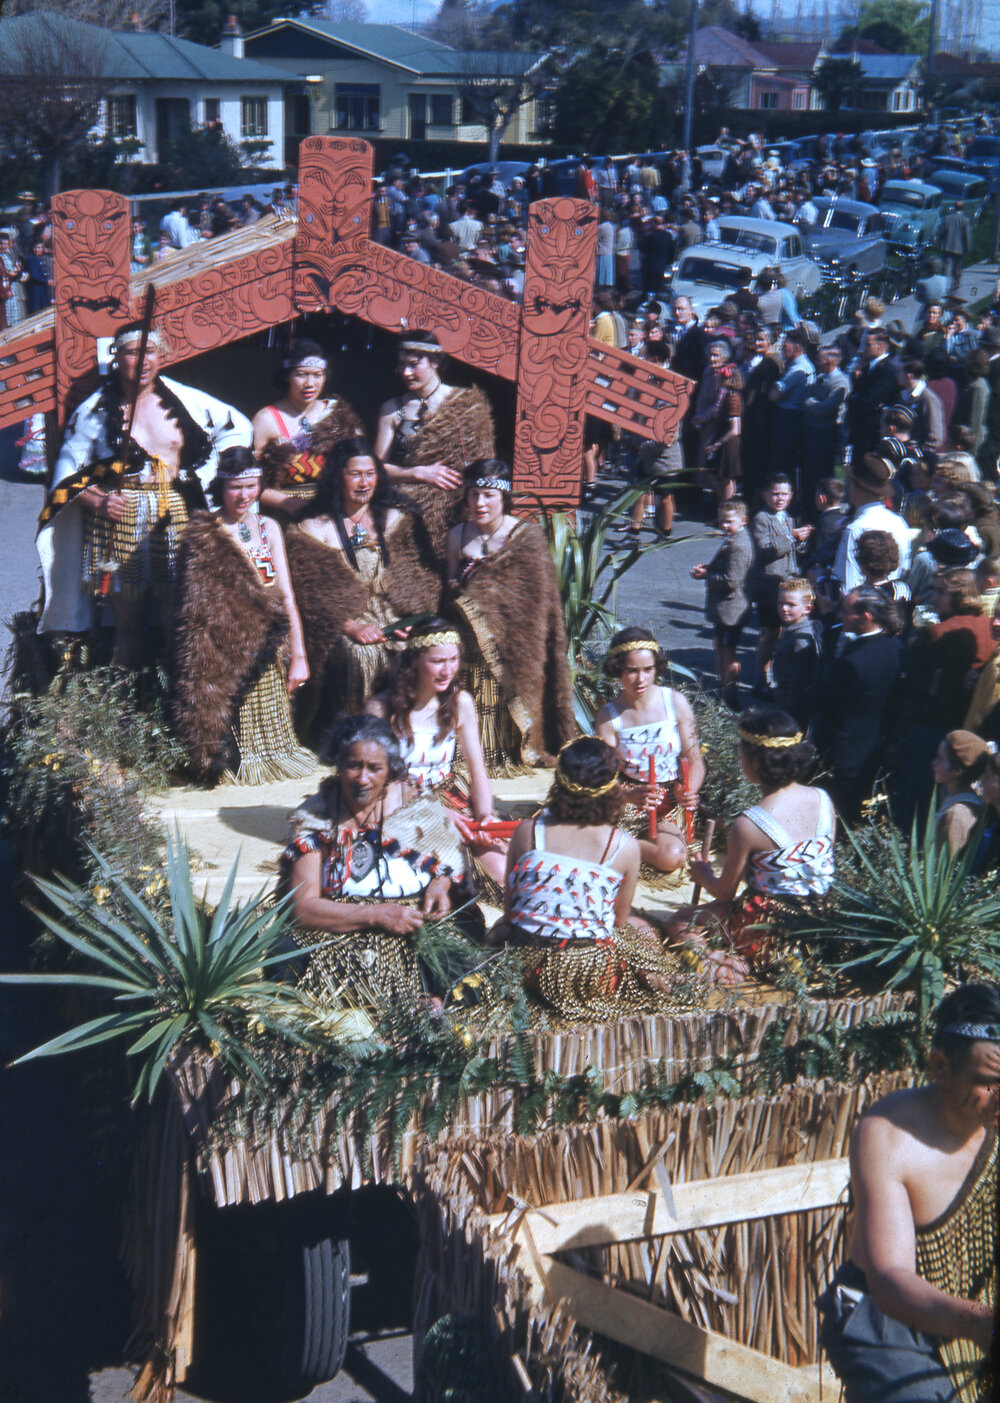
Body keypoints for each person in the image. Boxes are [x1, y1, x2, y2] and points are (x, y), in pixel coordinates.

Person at [817, 983, 998, 1403]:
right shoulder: (888, 1134)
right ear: (940, 1067)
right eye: (990, 1082)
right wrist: (984, 1326)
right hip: (885, 1321)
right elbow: (890, 1279)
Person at [37, 323, 252, 667]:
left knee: (178, 609)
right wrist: (98, 500)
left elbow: (237, 427)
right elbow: (67, 469)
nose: (142, 361)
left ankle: (175, 693)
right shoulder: (94, 412)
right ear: (116, 357)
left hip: (176, 510)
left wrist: (205, 474)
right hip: (120, 513)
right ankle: (129, 696)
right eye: (131, 352)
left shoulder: (188, 402)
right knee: (127, 616)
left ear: (161, 356)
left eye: (149, 351)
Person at [496, 737, 693, 1021]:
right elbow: (619, 923)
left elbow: (511, 910)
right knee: (641, 928)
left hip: (529, 967)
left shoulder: (527, 832)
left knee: (500, 930)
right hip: (589, 974)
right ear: (613, 789)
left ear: (558, 782)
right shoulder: (624, 846)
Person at [280, 714, 468, 1007]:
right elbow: (303, 907)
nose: (363, 778)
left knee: (463, 974)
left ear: (390, 770)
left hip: (413, 924)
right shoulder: (316, 816)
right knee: (283, 961)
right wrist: (376, 915)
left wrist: (440, 885)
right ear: (339, 765)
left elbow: (446, 860)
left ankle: (427, 1009)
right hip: (336, 931)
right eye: (353, 766)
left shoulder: (416, 806)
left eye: (374, 768)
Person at [171, 447, 313, 785]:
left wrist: (298, 655)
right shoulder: (205, 533)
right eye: (236, 487)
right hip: (225, 648)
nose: (244, 495)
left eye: (251, 487)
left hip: (270, 640)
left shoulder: (269, 528)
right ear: (220, 488)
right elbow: (197, 610)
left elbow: (287, 594)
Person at [283, 438, 441, 737]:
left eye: (370, 474)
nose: (364, 482)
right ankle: (359, 738)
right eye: (355, 474)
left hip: (395, 615)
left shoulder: (400, 519)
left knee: (427, 646)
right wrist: (352, 626)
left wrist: (414, 621)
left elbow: (422, 579)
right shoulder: (312, 527)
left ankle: (417, 733)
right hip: (345, 620)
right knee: (361, 654)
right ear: (337, 477)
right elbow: (310, 594)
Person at [668, 709, 836, 983]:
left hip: (768, 928)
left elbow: (724, 892)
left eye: (741, 752)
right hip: (819, 922)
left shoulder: (750, 824)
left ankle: (728, 967)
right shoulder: (823, 799)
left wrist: (703, 875)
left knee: (681, 920)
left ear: (755, 762)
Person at [445, 459, 574, 772]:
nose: (479, 503)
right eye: (473, 494)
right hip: (470, 643)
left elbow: (539, 600)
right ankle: (473, 754)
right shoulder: (458, 535)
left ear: (504, 497)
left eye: (488, 495)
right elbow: (448, 590)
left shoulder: (526, 536)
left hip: (516, 644)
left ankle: (514, 749)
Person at [365, 620, 507, 887]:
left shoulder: (460, 702)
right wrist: (434, 813)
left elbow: (478, 773)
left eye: (453, 660)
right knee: (428, 869)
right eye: (438, 661)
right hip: (398, 799)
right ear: (414, 661)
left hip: (448, 792)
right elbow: (376, 781)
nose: (447, 670)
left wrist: (485, 816)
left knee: (501, 870)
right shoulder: (381, 708)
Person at [374, 330, 495, 563]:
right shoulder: (392, 409)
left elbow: (483, 468)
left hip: (459, 510)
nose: (406, 373)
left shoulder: (466, 404)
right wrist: (417, 473)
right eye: (401, 365)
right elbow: (374, 468)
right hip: (407, 511)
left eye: (414, 364)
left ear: (436, 362)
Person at [595, 628, 704, 877]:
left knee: (672, 857)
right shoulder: (609, 716)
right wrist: (628, 795)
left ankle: (619, 847)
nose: (640, 679)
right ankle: (619, 841)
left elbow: (694, 759)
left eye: (648, 670)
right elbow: (604, 776)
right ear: (617, 670)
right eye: (632, 671)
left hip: (669, 800)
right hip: (627, 799)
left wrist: (688, 790)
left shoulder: (674, 702)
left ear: (657, 667)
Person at [814, 587, 903, 824]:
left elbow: (827, 706)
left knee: (841, 817)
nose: (840, 615)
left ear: (866, 617)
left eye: (845, 611)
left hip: (847, 751)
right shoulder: (893, 647)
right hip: (875, 745)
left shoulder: (853, 662)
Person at [252, 341, 363, 519]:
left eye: (317, 375)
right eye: (301, 375)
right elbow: (252, 482)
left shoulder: (338, 414)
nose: (310, 383)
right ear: (287, 376)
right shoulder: (266, 419)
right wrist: (288, 503)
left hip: (336, 510)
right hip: (287, 514)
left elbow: (359, 466)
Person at [749, 473, 811, 681]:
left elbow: (795, 550)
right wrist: (791, 537)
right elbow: (765, 550)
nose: (780, 498)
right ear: (766, 495)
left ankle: (779, 672)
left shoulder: (790, 517)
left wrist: (801, 541)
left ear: (791, 495)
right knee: (770, 631)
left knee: (786, 629)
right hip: (769, 584)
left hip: (788, 582)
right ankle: (762, 675)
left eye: (784, 494)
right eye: (775, 494)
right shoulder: (761, 519)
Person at [691, 498, 753, 706]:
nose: (724, 525)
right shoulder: (733, 539)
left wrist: (706, 575)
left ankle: (730, 692)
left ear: (744, 520)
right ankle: (724, 687)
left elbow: (732, 581)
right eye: (721, 521)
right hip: (726, 608)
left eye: (729, 521)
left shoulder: (739, 545)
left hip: (732, 609)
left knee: (728, 651)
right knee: (721, 647)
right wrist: (709, 568)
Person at [833, 455, 912, 596]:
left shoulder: (856, 528)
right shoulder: (899, 522)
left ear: (855, 489)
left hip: (863, 607)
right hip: (893, 603)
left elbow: (847, 585)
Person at [769, 576, 823, 730]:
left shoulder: (801, 639)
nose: (784, 609)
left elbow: (799, 683)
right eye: (781, 603)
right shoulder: (792, 629)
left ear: (807, 608)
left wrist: (790, 717)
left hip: (791, 702)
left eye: (791, 605)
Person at [931, 731, 988, 858]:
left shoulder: (956, 814)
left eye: (940, 758)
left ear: (957, 770)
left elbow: (944, 866)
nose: (934, 763)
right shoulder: (951, 799)